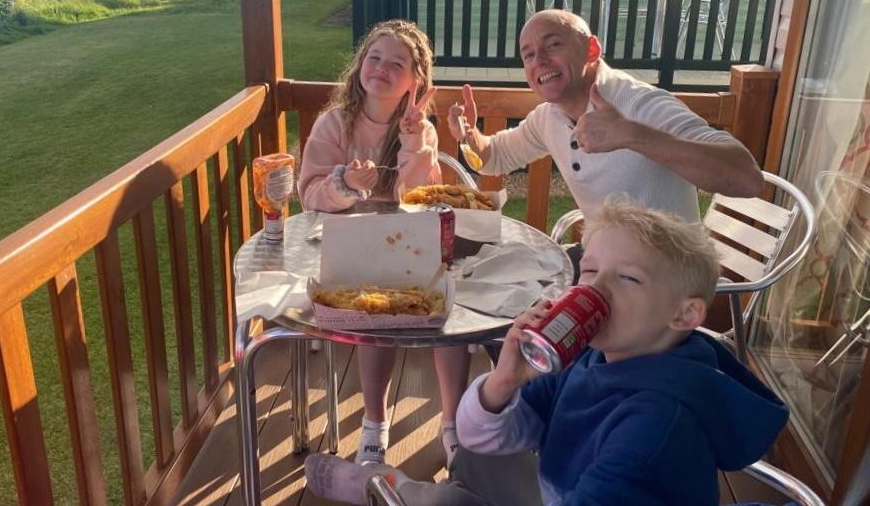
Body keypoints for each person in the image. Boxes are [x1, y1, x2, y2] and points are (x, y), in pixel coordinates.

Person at [303, 199, 789, 506]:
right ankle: (407, 489)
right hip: (557, 483)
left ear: (684, 315)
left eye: (629, 278)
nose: (596, 291)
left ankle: (385, 487)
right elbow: (484, 434)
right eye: (591, 271)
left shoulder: (655, 429)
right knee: (475, 453)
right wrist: (503, 382)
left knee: (445, 499)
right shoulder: (595, 354)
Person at [298, 19, 469, 467]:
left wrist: (413, 141)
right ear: (359, 66)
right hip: (350, 246)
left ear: (416, 81)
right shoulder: (334, 124)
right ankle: (375, 424)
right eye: (374, 58)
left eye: (397, 63)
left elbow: (415, 199)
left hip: (410, 242)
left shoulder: (423, 129)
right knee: (377, 316)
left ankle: (451, 425)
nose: (382, 68)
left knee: (448, 312)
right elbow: (309, 193)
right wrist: (344, 184)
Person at [449, 9, 764, 227]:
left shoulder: (642, 104)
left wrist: (632, 135)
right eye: (528, 54)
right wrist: (469, 134)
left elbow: (747, 177)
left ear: (591, 49)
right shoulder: (550, 117)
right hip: (604, 267)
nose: (539, 60)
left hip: (665, 283)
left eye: (554, 44)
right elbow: (495, 157)